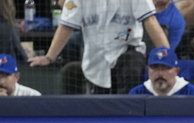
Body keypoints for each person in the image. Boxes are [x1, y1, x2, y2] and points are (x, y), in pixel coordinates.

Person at [28, 0, 170, 94]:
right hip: (95, 59)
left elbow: (150, 20)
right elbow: (66, 25)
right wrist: (49, 57)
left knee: (130, 63)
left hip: (128, 54)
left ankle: (128, 122)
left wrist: (167, 56)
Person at [129, 47, 194, 95]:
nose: (160, 73)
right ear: (148, 70)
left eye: (166, 68)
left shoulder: (192, 93)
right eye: (155, 67)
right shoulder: (136, 93)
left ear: (176, 71)